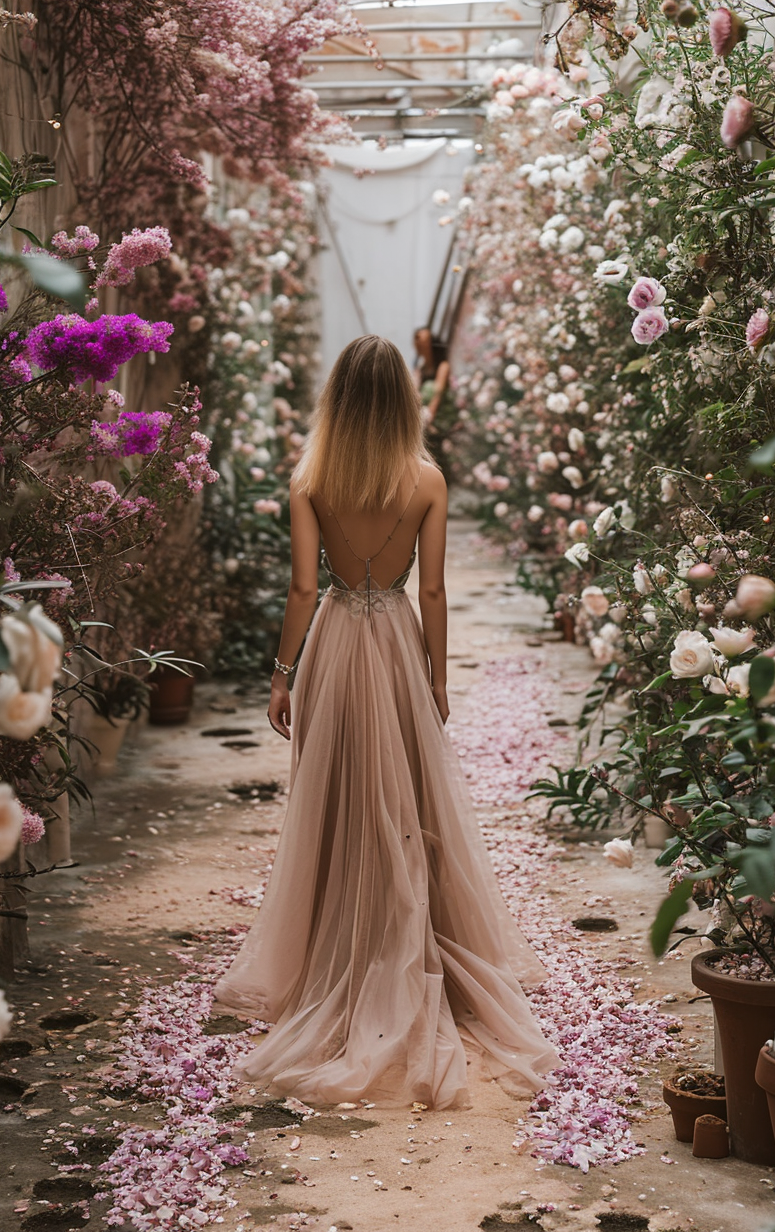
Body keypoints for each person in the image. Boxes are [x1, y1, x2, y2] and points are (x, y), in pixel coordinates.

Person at [212, 335, 559, 1109]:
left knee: (334, 794)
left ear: (336, 398)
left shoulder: (312, 478)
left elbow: (305, 588)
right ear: (404, 399)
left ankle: (336, 949)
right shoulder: (426, 478)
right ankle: (413, 941)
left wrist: (282, 675)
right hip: (396, 640)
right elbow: (432, 591)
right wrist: (435, 676)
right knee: (407, 793)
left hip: (336, 642)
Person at [413, 325, 457, 481]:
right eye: (417, 340)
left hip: (441, 418)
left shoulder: (443, 366)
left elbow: (438, 393)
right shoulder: (420, 369)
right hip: (425, 418)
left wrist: (430, 414)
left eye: (424, 340)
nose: (420, 343)